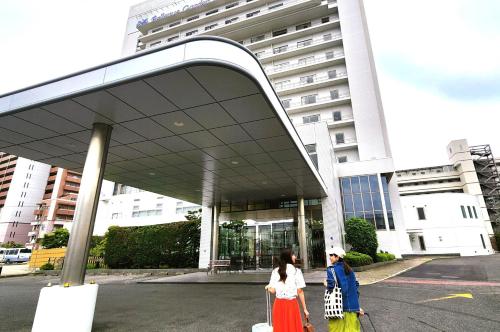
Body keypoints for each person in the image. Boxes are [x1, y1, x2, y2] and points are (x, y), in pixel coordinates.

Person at [265, 248, 309, 332]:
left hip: (278, 305)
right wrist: (305, 309)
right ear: (288, 257)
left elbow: (273, 291)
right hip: (291, 305)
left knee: (280, 328)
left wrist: (267, 287)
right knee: (293, 328)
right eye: (293, 255)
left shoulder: (275, 271)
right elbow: (300, 291)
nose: (295, 257)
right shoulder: (296, 271)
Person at [324, 247, 364, 332]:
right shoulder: (350, 270)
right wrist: (357, 306)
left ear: (337, 257)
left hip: (338, 309)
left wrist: (326, 284)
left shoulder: (331, 270)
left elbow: (331, 287)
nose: (330, 257)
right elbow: (355, 286)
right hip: (352, 308)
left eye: (332, 255)